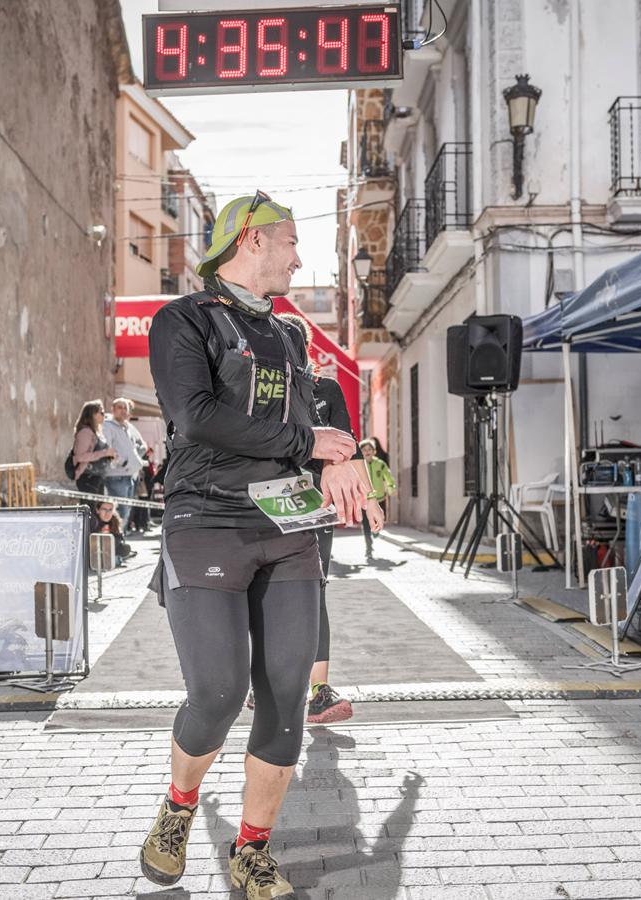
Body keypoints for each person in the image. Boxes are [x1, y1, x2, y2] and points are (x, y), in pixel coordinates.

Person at [139, 191, 371, 898]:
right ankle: (179, 808)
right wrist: (309, 441)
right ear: (250, 240)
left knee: (284, 696)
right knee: (216, 691)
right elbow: (196, 417)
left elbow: (315, 427)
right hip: (206, 517)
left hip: (288, 528)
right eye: (291, 241)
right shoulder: (183, 319)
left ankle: (252, 848)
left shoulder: (292, 336)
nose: (301, 257)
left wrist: (346, 458)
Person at [276, 311, 382, 726]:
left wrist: (369, 499)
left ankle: (319, 691)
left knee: (313, 593)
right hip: (266, 508)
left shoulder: (327, 390)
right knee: (262, 592)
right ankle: (264, 680)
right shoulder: (262, 394)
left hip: (315, 507)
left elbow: (350, 448)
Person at [102, 397, 147, 522]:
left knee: (126, 511)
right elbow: (107, 449)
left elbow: (142, 445)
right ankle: (117, 539)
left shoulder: (129, 427)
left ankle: (121, 538)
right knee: (119, 511)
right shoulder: (107, 426)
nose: (123, 410)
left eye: (125, 408)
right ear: (113, 410)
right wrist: (123, 461)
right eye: (119, 407)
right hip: (116, 476)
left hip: (130, 475)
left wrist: (135, 457)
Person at [71, 400, 116, 512]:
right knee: (90, 512)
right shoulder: (86, 432)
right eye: (101, 412)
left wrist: (109, 456)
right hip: (88, 478)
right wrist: (105, 453)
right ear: (92, 414)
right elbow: (80, 457)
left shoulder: (96, 432)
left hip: (97, 477)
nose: (104, 415)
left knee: (96, 512)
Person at [360, 437, 397, 559]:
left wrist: (391, 487)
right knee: (366, 525)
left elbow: (388, 476)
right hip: (364, 500)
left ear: (374, 451)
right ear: (361, 452)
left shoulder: (380, 464)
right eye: (364, 450)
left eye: (369, 449)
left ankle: (376, 532)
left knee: (379, 520)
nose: (367, 451)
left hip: (380, 498)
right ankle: (368, 547)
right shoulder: (359, 465)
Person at [93, 500, 135, 565]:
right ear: (97, 510)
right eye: (104, 509)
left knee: (125, 548)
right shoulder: (93, 521)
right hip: (95, 550)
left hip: (110, 550)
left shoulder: (114, 520)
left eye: (110, 510)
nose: (107, 513)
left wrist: (109, 537)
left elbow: (119, 539)